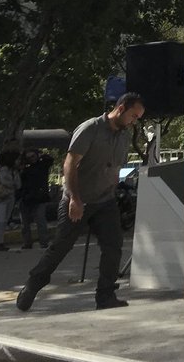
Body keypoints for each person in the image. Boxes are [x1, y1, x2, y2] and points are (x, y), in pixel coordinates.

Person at [17, 92, 145, 312]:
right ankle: (34, 283)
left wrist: (114, 187)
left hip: (105, 201)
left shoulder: (123, 137)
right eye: (133, 115)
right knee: (61, 247)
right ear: (121, 108)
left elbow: (113, 167)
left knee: (113, 246)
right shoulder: (90, 129)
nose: (135, 121)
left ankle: (105, 296)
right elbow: (70, 164)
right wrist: (75, 199)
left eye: (138, 118)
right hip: (77, 200)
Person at [18, 148, 54, 250]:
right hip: (25, 198)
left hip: (39, 198)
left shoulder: (42, 165)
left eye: (33, 156)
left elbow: (50, 159)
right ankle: (27, 243)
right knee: (25, 224)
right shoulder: (24, 168)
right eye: (28, 158)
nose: (31, 159)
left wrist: (41, 154)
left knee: (40, 221)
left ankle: (44, 242)